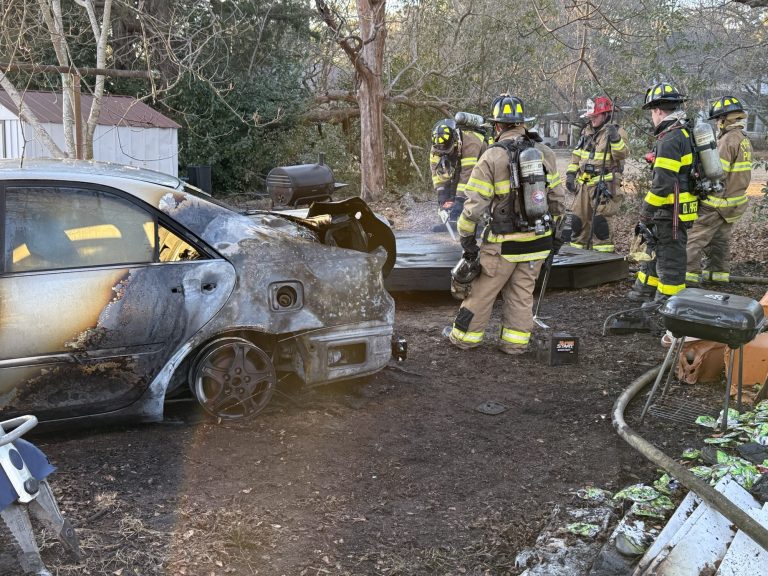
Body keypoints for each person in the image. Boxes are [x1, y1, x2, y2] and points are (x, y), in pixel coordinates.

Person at [445, 94, 565, 355]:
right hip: (538, 242)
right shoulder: (545, 153)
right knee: (522, 294)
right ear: (522, 123)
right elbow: (557, 200)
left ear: (497, 126)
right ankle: (514, 344)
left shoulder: (492, 157)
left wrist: (466, 239)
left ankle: (464, 337)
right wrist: (556, 234)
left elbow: (474, 205)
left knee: (480, 292)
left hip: (503, 245)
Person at [629, 82, 699, 303]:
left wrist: (646, 212)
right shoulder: (683, 133)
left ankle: (666, 310)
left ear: (658, 110)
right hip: (673, 211)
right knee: (654, 252)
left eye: (652, 112)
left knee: (671, 263)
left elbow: (663, 184)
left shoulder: (670, 138)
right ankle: (644, 293)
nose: (652, 117)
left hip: (670, 213)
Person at [686, 96, 753, 285]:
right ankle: (717, 277)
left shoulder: (727, 140)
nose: (716, 124)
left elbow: (717, 173)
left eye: (718, 119)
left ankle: (687, 277)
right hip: (734, 203)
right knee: (720, 240)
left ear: (726, 119)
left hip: (718, 202)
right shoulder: (743, 139)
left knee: (694, 238)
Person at [565, 96, 629, 252]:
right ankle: (577, 257)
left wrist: (614, 138)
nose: (592, 119)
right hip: (584, 185)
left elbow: (622, 154)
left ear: (606, 114)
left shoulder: (617, 131)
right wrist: (571, 174)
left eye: (595, 116)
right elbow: (576, 156)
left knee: (601, 227)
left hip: (604, 186)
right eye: (590, 116)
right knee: (577, 224)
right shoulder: (586, 132)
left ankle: (603, 262)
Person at [429, 114, 489, 231]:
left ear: (455, 141)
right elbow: (436, 173)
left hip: (481, 162)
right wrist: (441, 194)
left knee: (477, 188)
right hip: (460, 158)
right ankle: (451, 221)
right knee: (451, 187)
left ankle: (479, 220)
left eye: (446, 150)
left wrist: (459, 200)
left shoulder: (471, 142)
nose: (443, 153)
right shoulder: (437, 146)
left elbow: (467, 175)